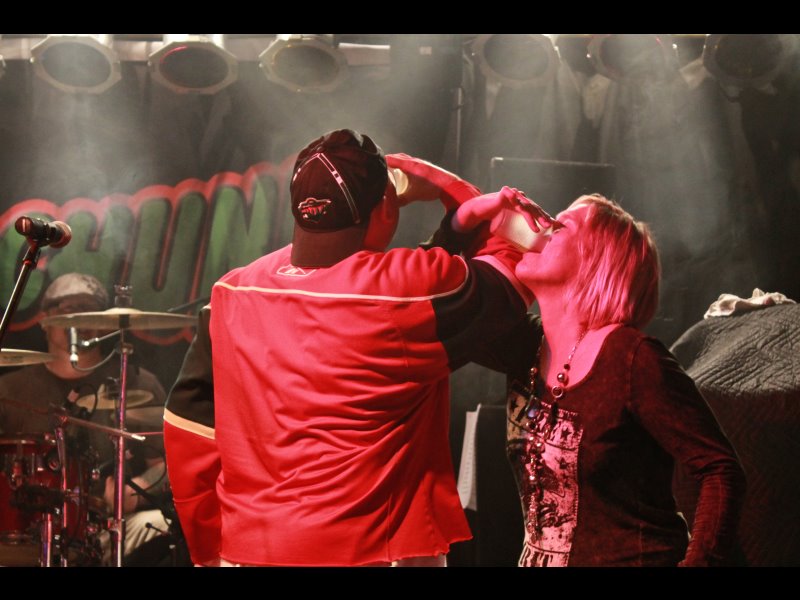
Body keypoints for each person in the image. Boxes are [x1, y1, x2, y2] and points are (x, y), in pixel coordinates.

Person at [163, 129, 549, 567]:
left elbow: (187, 430)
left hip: (250, 550)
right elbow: (514, 266)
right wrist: (452, 190)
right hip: (373, 552)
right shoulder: (401, 291)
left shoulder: (231, 292)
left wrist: (207, 551)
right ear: (387, 205)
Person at [450, 193, 746, 566]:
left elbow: (720, 469)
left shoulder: (632, 358)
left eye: (560, 226)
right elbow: (432, 302)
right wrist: (464, 220)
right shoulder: (524, 346)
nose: (542, 230)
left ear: (596, 259)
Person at [0, 272, 171, 563]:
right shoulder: (9, 389)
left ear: (104, 322)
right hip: (23, 528)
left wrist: (139, 488)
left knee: (164, 524)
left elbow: (166, 465)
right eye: (68, 309)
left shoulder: (136, 381)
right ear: (44, 319)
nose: (79, 319)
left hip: (109, 526)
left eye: (89, 310)